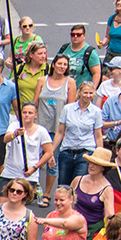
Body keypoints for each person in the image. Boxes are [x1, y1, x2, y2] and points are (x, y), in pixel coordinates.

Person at [41, 56, 81, 200]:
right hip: (41, 126)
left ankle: (47, 193)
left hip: (57, 128)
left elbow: (70, 107)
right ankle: (33, 188)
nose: (62, 66)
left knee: (52, 160)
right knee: (35, 159)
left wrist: (65, 129)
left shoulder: (70, 82)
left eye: (65, 64)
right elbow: (35, 102)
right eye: (60, 63)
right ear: (53, 64)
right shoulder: (42, 80)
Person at [59, 87, 110, 197]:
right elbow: (60, 132)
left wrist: (98, 156)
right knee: (63, 187)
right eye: (85, 92)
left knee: (78, 186)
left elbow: (98, 135)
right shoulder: (68, 109)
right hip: (67, 150)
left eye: (91, 93)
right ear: (79, 92)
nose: (88, 95)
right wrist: (51, 153)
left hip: (85, 152)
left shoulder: (96, 112)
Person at [6, 102, 59, 201]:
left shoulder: (41, 131)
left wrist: (34, 168)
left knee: (19, 202)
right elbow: (5, 139)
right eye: (24, 112)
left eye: (30, 113)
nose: (26, 115)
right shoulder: (14, 125)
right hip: (10, 172)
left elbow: (49, 152)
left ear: (35, 115)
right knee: (3, 201)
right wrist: (15, 133)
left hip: (29, 174)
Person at [58, 23, 106, 90]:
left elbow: (97, 73)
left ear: (84, 36)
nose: (75, 37)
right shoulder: (64, 48)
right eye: (73, 34)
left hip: (81, 93)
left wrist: (91, 90)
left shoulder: (90, 52)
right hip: (64, 90)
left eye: (78, 35)